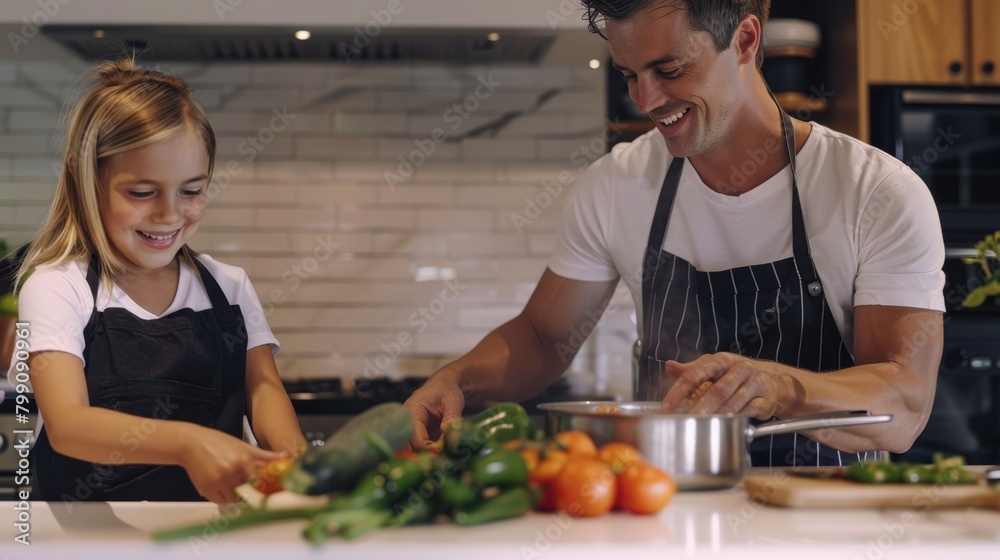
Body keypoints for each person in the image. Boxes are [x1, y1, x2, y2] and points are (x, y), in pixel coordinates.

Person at [404, 0, 946, 467]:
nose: (646, 100)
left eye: (669, 69)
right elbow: (543, 338)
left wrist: (779, 387)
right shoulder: (618, 183)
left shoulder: (875, 193)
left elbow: (903, 406)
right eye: (629, 75)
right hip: (663, 511)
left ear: (745, 38)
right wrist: (457, 380)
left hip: (826, 522)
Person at [11, 57, 307, 502]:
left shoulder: (228, 287)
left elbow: (264, 393)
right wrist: (188, 444)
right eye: (142, 192)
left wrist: (294, 461)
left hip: (207, 528)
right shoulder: (56, 286)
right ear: (84, 177)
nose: (170, 214)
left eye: (191, 190)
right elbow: (68, 425)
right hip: (84, 537)